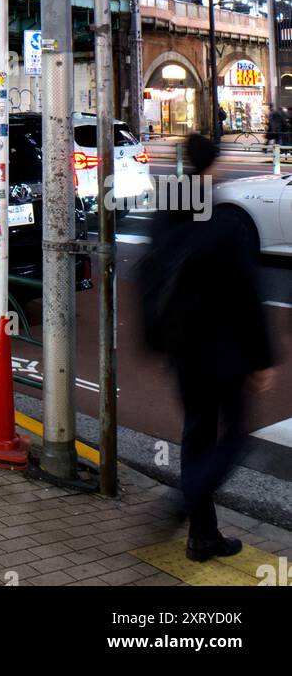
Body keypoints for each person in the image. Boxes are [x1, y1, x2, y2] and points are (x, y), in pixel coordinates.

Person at [140, 132, 275, 562]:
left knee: (196, 435)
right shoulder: (223, 223)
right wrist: (262, 360)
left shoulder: (168, 216)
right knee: (234, 435)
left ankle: (203, 535)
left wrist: (156, 340)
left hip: (183, 350)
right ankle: (186, 500)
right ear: (213, 167)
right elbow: (246, 294)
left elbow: (149, 275)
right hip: (223, 352)